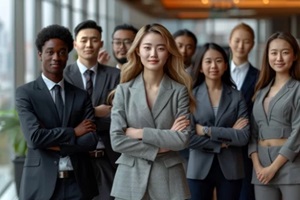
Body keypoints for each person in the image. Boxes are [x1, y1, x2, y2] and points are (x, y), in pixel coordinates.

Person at [109, 23, 195, 200]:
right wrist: (164, 142)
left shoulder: (179, 91)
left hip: (169, 181)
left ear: (169, 52)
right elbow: (117, 141)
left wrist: (140, 133)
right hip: (130, 181)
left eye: (161, 48)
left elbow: (182, 139)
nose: (153, 54)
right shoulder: (124, 91)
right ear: (138, 50)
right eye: (147, 47)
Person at [15, 24, 98, 200]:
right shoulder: (26, 93)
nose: (56, 57)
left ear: (68, 55)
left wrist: (52, 143)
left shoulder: (81, 95)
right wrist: (74, 132)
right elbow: (35, 138)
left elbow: (90, 140)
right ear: (40, 54)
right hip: (41, 185)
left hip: (79, 184)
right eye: (50, 52)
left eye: (62, 52)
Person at [64, 20, 120, 200]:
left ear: (101, 44)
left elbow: (119, 117)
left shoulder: (115, 76)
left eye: (94, 40)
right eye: (84, 40)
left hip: (108, 159)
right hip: (76, 159)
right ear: (75, 44)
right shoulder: (64, 76)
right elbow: (63, 118)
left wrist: (81, 119)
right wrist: (96, 112)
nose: (89, 45)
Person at [187, 43, 250, 200]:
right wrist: (223, 142)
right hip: (198, 169)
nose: (213, 66)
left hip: (231, 169)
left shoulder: (236, 96)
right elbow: (188, 137)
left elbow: (243, 137)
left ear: (225, 66)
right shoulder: (190, 96)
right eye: (208, 61)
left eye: (219, 61)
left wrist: (207, 131)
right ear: (200, 67)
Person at [249, 32, 300, 200]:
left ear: (294, 55)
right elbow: (253, 133)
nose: (278, 58)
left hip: (291, 166)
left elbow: (298, 133)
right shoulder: (261, 91)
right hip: (261, 168)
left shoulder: (298, 89)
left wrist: (273, 168)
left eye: (285, 52)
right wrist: (258, 166)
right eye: (273, 52)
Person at [228, 22, 260, 200]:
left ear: (253, 44)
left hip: (248, 146)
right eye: (237, 40)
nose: (241, 46)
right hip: (222, 145)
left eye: (246, 41)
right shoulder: (217, 73)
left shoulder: (260, 76)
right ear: (230, 41)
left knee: (246, 194)